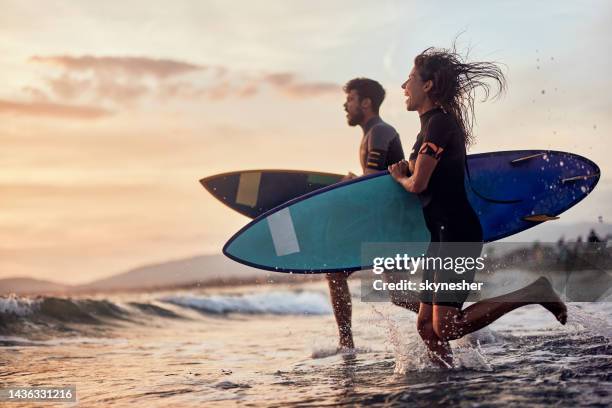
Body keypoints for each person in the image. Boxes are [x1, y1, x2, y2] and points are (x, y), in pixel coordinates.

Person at [388, 46, 568, 366]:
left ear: (428, 85)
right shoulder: (428, 127)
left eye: (410, 79)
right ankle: (447, 383)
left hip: (458, 234)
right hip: (440, 237)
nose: (404, 86)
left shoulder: (440, 125)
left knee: (447, 326)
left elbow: (418, 184)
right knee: (426, 328)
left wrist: (402, 177)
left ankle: (531, 292)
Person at [328, 78, 417, 350]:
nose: (346, 105)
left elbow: (371, 187)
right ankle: (453, 317)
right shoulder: (371, 135)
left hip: (390, 226)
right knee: (398, 295)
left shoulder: (380, 132)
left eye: (351, 99)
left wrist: (349, 183)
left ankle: (452, 316)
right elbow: (374, 182)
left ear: (366, 103)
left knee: (398, 295)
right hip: (383, 224)